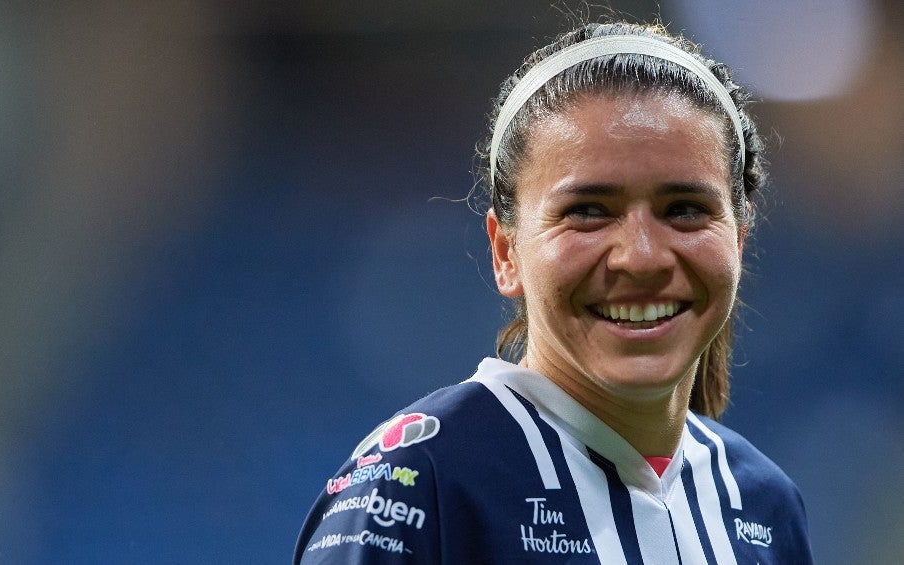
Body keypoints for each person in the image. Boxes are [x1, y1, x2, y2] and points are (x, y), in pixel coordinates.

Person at [295, 20, 813, 564]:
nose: (641, 257)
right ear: (506, 253)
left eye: (684, 209)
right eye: (587, 212)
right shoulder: (418, 486)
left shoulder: (766, 506)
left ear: (738, 240)